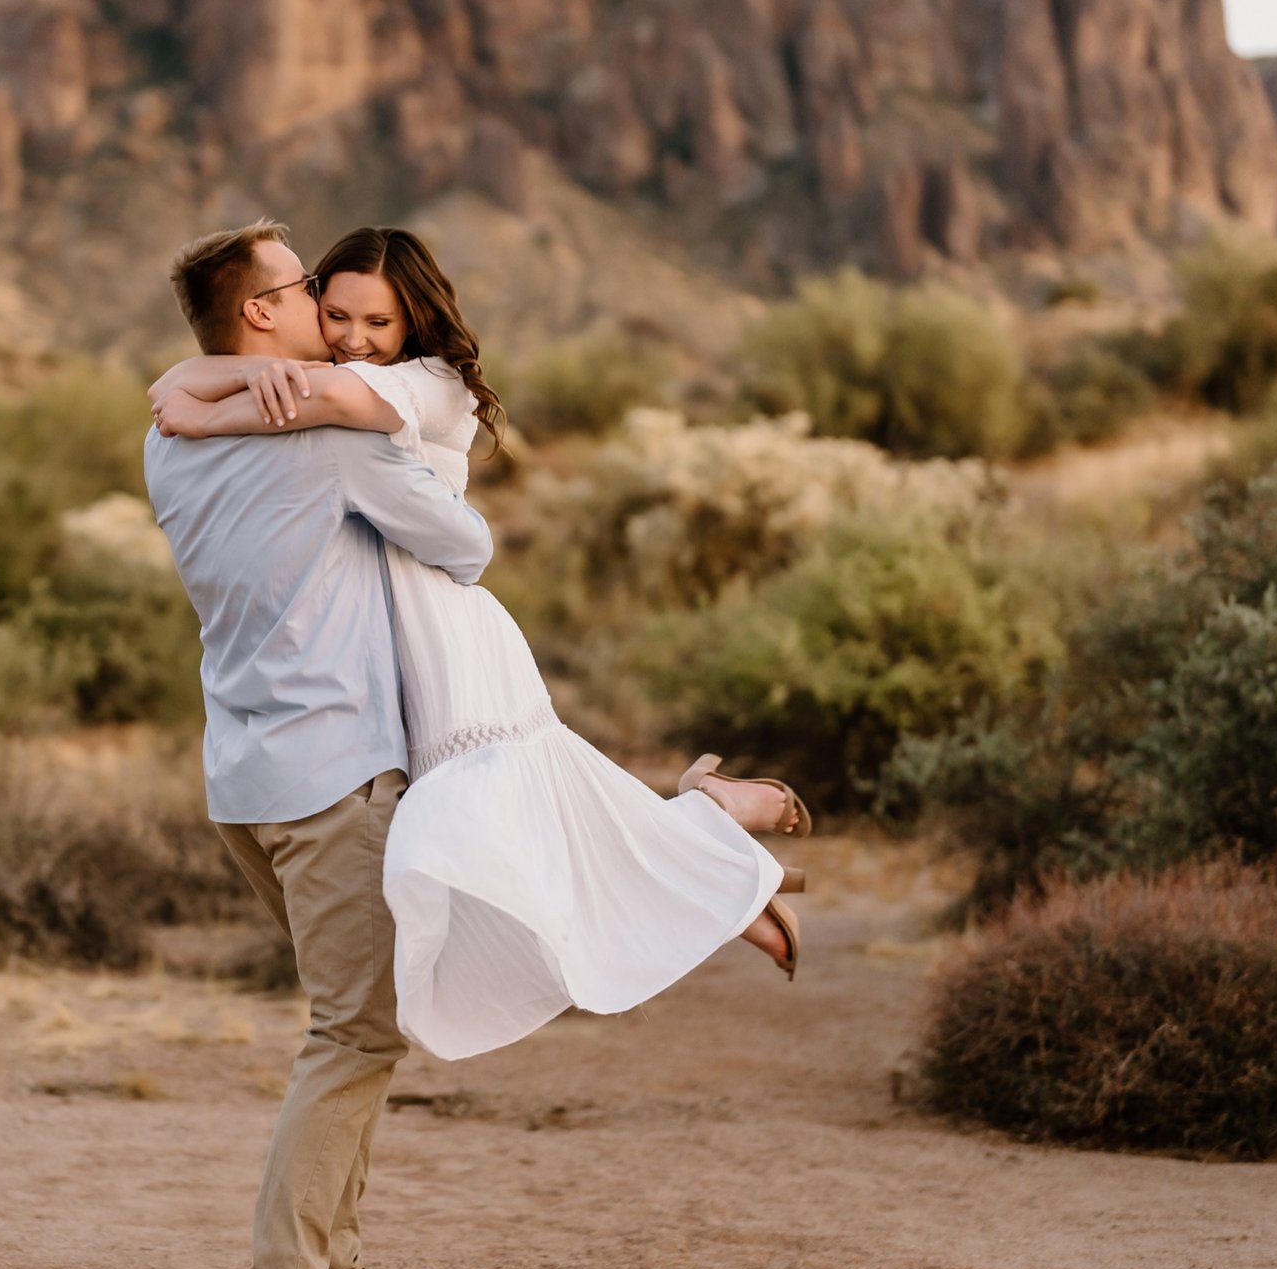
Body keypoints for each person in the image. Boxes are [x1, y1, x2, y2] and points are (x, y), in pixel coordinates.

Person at [149, 225, 804, 1071]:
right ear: (265, 309)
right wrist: (223, 380)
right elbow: (226, 388)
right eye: (325, 300)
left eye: (374, 321)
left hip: (444, 623)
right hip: (392, 657)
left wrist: (199, 408)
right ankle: (711, 838)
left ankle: (712, 843)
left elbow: (461, 540)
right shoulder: (321, 391)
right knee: (493, 842)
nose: (346, 331)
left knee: (507, 825)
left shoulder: (417, 385)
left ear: (412, 320)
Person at [145, 219, 486, 1269]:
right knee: (352, 1034)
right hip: (333, 780)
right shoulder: (327, 437)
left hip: (242, 780)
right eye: (301, 289)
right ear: (259, 314)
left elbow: (187, 390)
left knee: (358, 1022)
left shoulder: (168, 444)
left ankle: (333, 1266)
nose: (329, 314)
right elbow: (467, 544)